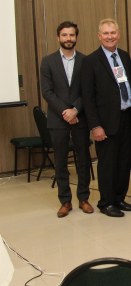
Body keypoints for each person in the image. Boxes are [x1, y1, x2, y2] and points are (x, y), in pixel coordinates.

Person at [81, 19, 131, 217]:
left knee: (124, 162)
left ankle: (119, 199)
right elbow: (88, 98)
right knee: (107, 164)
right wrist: (95, 126)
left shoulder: (124, 56)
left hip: (126, 118)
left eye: (113, 33)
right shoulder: (90, 61)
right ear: (99, 36)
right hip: (105, 124)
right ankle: (106, 202)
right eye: (105, 33)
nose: (110, 36)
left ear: (119, 34)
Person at [40, 21, 93, 218]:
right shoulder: (48, 61)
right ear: (58, 37)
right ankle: (65, 201)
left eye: (71, 35)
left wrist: (75, 110)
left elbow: (87, 90)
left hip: (80, 117)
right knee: (61, 162)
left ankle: (84, 198)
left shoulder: (85, 61)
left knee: (83, 160)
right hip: (58, 118)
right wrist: (66, 111)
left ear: (76, 37)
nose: (68, 39)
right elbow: (47, 92)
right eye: (64, 35)